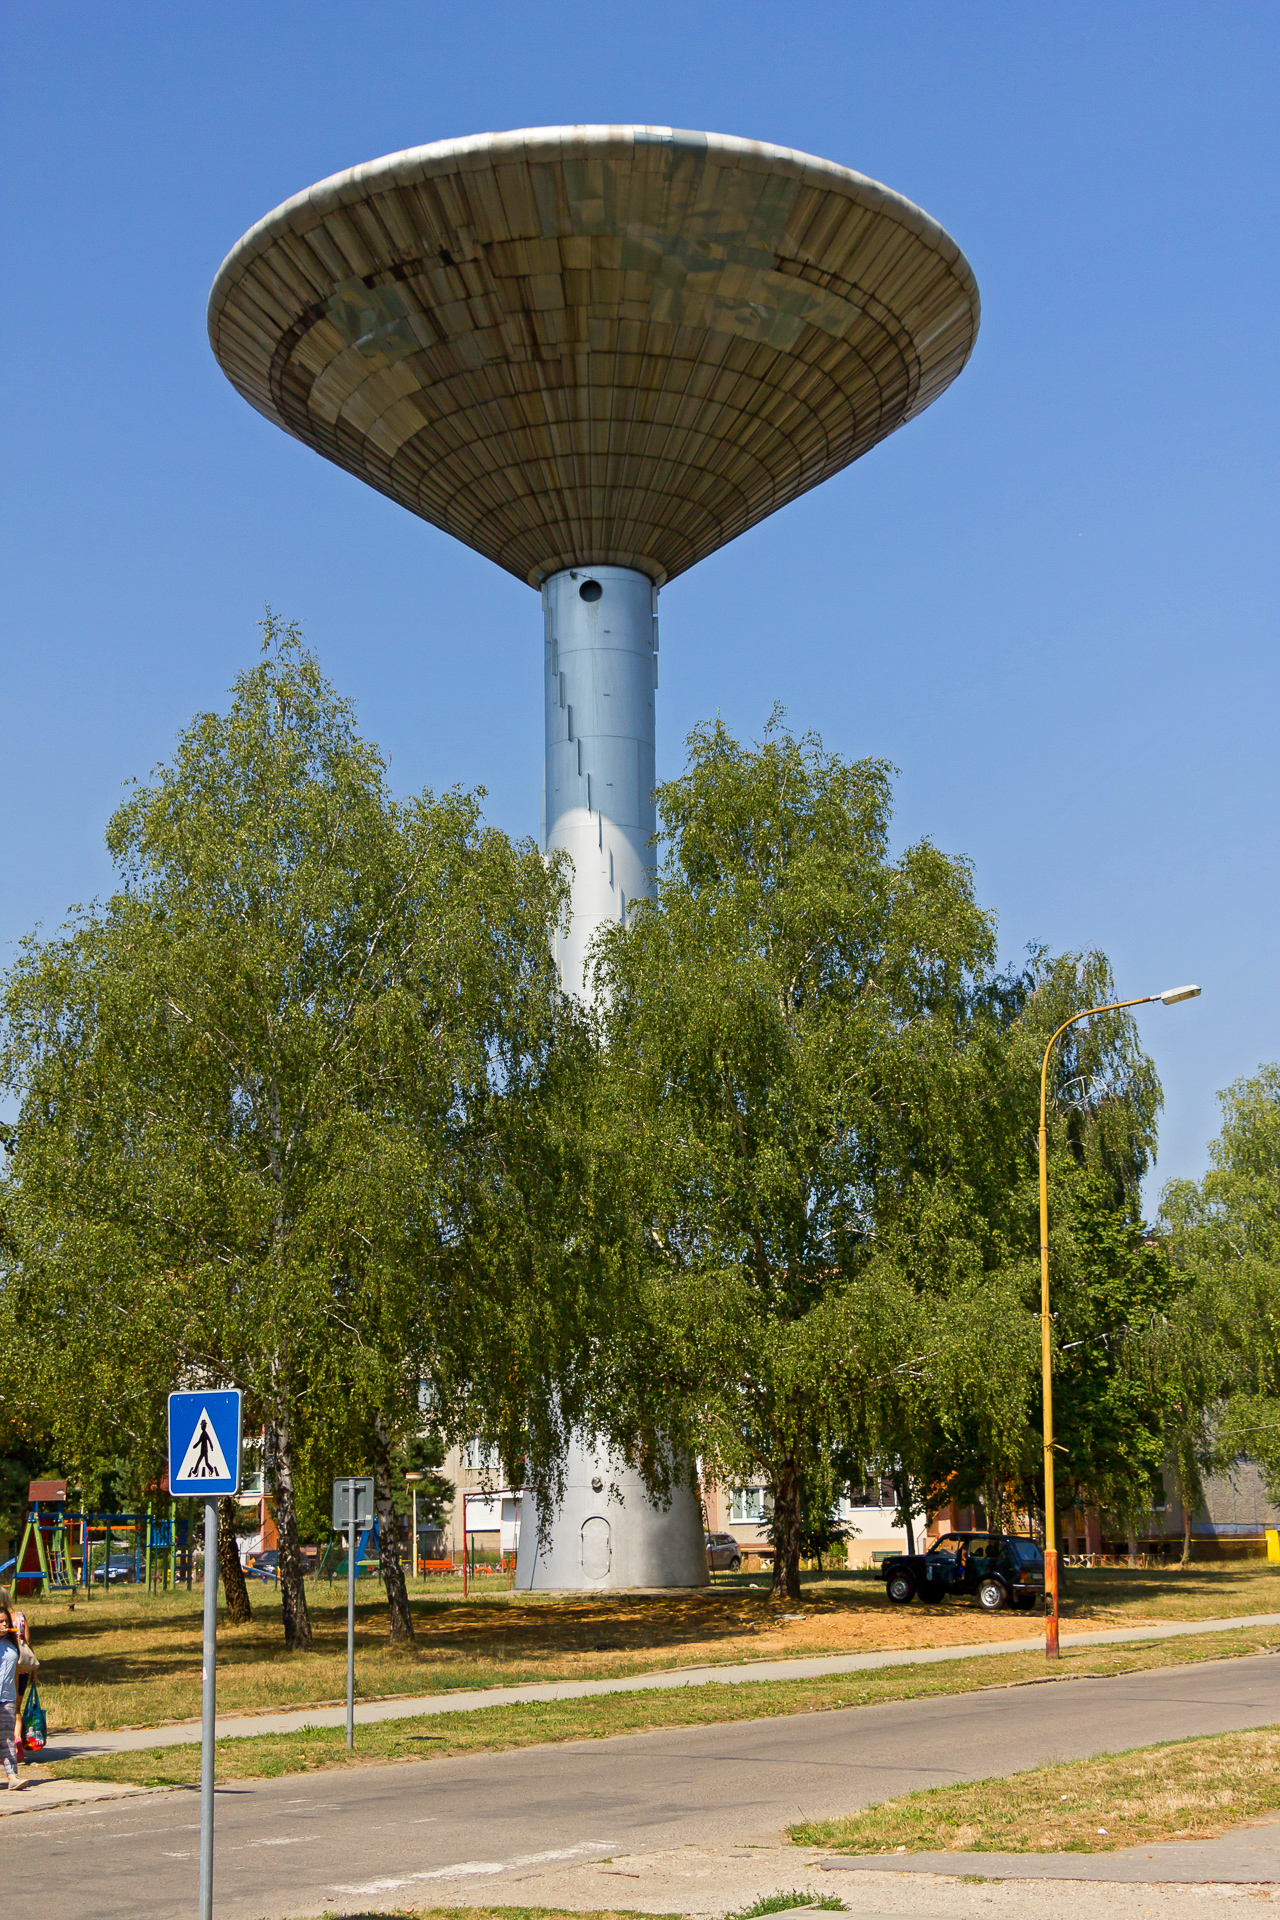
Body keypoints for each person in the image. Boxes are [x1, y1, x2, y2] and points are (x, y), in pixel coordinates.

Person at [0, 1608, 22, 1790]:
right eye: (0, 1622)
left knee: (7, 1737)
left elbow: (16, 1670)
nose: (4, 1625)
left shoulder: (11, 1643)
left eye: (6, 1621)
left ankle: (12, 1777)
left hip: (7, 1696)